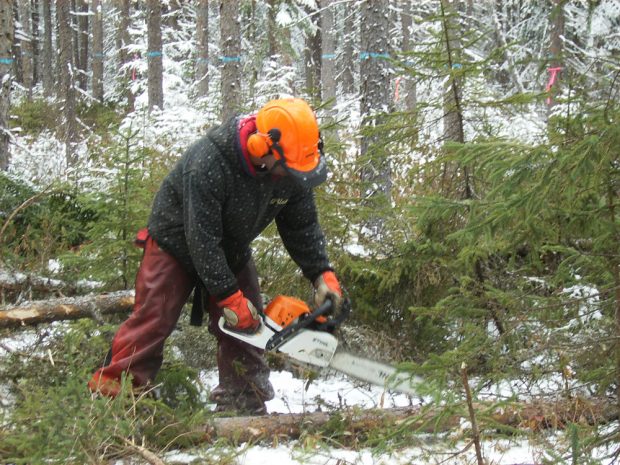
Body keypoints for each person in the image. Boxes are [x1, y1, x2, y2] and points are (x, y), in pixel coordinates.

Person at [88, 98, 343, 415]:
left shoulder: (292, 164)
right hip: (175, 241)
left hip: (231, 245)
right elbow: (202, 238)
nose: (290, 177)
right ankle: (116, 398)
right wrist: (227, 295)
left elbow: (302, 225)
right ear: (260, 147)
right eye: (286, 170)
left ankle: (243, 398)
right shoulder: (209, 161)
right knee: (153, 319)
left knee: (249, 324)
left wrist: (322, 273)